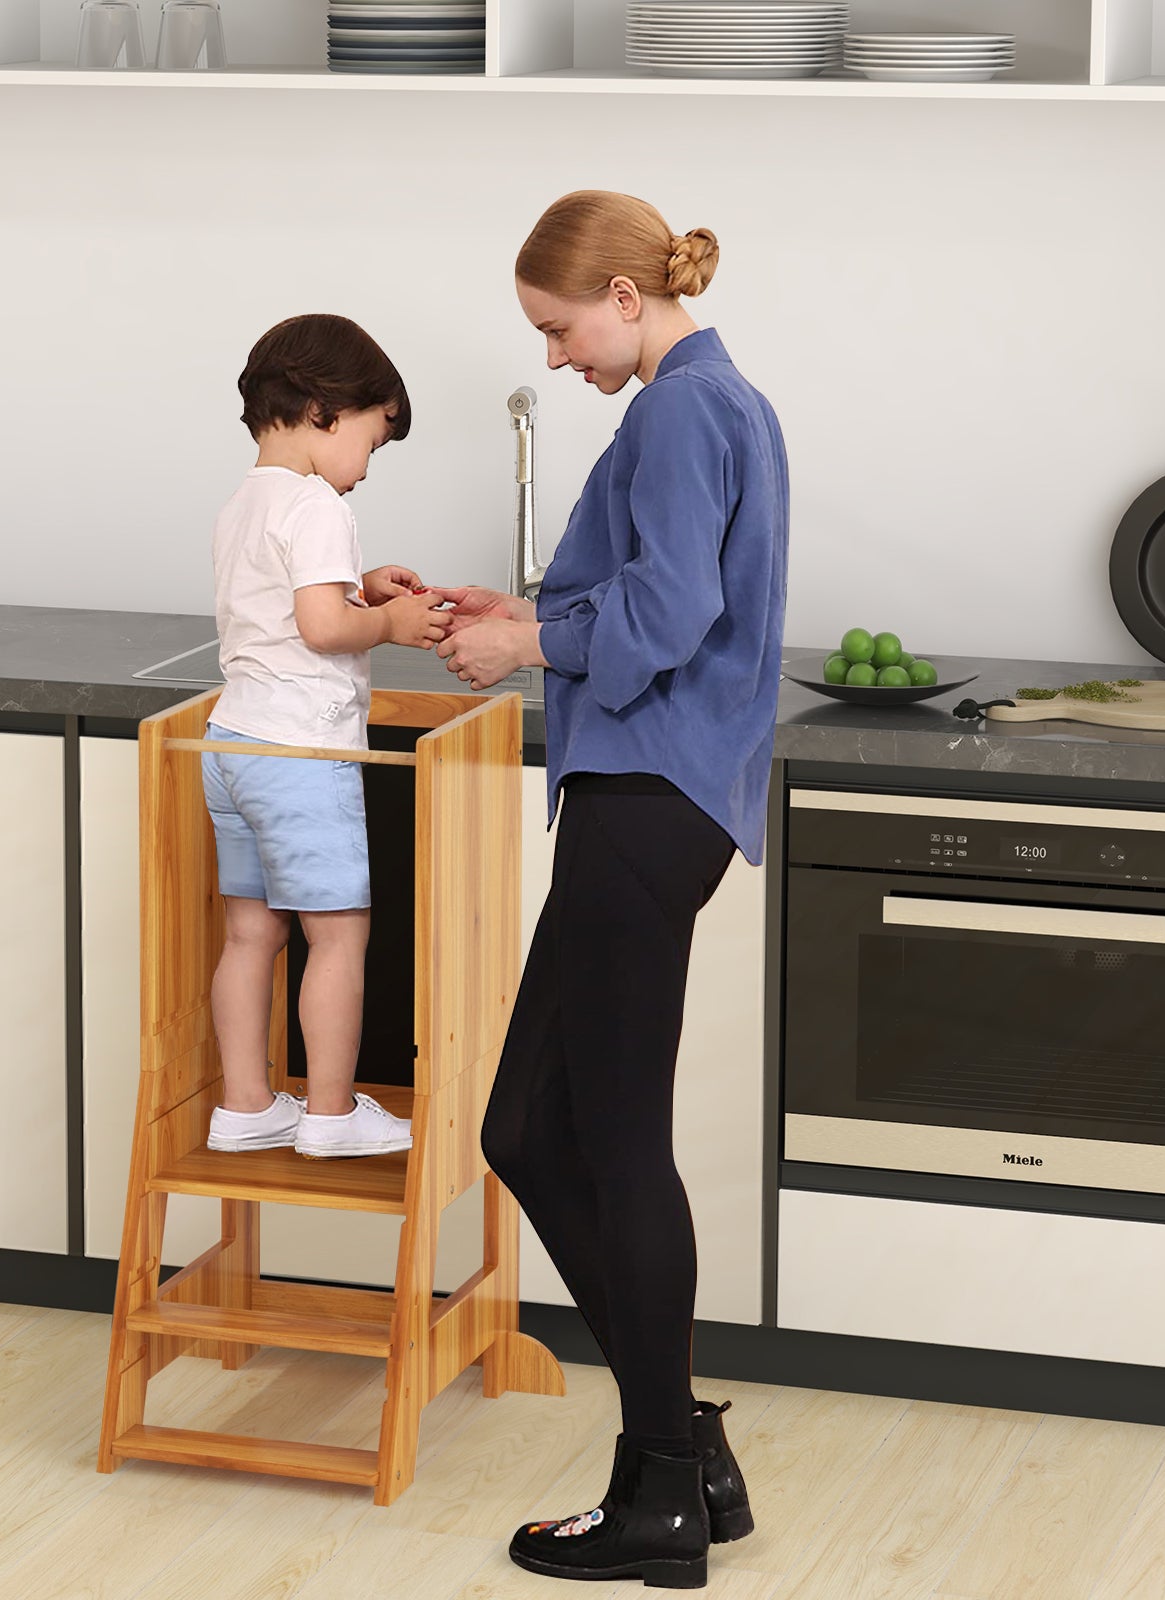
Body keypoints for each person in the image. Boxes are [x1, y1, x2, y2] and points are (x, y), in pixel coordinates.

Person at [434, 191, 789, 1590]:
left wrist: (530, 646)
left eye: (561, 327)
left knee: (616, 1138)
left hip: (648, 799)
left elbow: (667, 616)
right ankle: (686, 1448)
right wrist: (520, 618)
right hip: (651, 800)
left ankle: (658, 1496)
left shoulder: (683, 412)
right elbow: (644, 595)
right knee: (528, 1125)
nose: (560, 355)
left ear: (627, 298)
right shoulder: (704, 401)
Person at [202, 313, 450, 1161]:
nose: (366, 471)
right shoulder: (316, 503)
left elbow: (288, 603)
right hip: (301, 754)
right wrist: (389, 621)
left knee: (250, 934)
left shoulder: (246, 499)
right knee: (338, 935)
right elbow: (320, 626)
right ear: (323, 410)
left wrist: (362, 588)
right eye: (373, 445)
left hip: (231, 743)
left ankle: (245, 1107)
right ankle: (333, 1113)